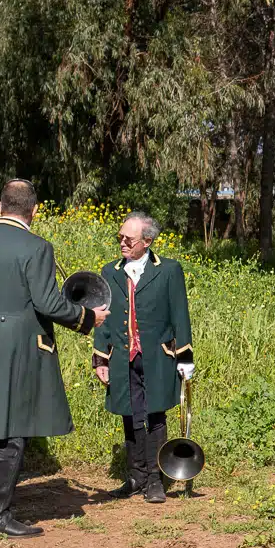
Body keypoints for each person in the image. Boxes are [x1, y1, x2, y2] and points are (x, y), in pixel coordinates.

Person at [0, 180, 108, 538]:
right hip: (16, 345)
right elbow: (47, 302)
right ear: (35, 210)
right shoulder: (37, 246)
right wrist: (88, 317)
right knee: (14, 430)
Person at [91, 213, 195, 503]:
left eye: (129, 239)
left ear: (147, 241)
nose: (122, 243)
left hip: (158, 357)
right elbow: (103, 318)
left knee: (155, 413)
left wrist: (185, 358)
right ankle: (135, 476)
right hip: (122, 357)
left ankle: (155, 479)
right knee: (129, 412)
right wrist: (101, 358)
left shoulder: (169, 270)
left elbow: (180, 317)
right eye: (120, 237)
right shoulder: (110, 271)